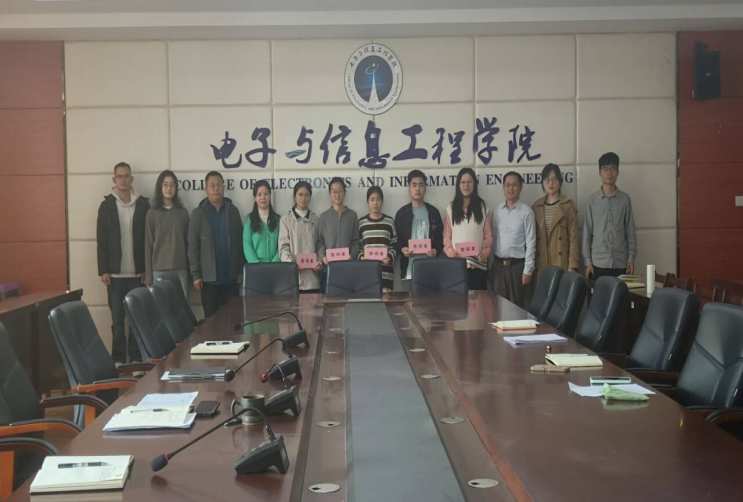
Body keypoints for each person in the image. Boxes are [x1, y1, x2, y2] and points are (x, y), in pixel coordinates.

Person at [96, 161, 148, 364]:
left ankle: (135, 358)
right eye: (119, 176)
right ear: (114, 179)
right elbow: (101, 240)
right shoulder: (106, 206)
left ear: (131, 179)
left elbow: (147, 240)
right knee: (117, 321)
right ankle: (118, 359)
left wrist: (146, 269)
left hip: (137, 274)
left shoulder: (143, 205)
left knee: (136, 319)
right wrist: (103, 270)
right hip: (114, 275)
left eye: (126, 176)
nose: (123, 180)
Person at [188, 171, 244, 318]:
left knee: (234, 321)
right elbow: (193, 246)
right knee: (211, 322)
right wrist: (196, 275)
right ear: (206, 189)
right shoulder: (198, 213)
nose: (216, 189)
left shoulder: (233, 211)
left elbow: (239, 242)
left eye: (219, 185)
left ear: (224, 188)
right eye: (212, 185)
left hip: (231, 278)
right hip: (208, 281)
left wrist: (239, 270)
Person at [582, 152, 637, 280]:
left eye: (613, 169)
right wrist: (587, 262)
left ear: (618, 172)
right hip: (597, 263)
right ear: (600, 173)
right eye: (605, 169)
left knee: (621, 294)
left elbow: (630, 231)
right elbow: (587, 233)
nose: (609, 173)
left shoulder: (625, 199)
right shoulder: (592, 200)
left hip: (621, 263)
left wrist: (631, 258)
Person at [489, 171, 536, 308]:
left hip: (518, 269)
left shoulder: (527, 212)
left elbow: (531, 242)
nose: (510, 188)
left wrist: (528, 270)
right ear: (503, 188)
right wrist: (491, 265)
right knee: (498, 307)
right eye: (507, 185)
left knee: (517, 308)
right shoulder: (497, 210)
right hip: (498, 267)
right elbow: (494, 238)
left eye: (514, 185)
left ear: (521, 187)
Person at [394, 170, 444, 291]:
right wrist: (402, 249)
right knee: (408, 302)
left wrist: (436, 251)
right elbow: (396, 240)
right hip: (409, 270)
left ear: (425, 188)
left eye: (421, 185)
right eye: (414, 185)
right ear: (409, 189)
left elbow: (440, 238)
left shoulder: (433, 212)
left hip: (430, 269)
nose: (417, 189)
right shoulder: (402, 213)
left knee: (429, 302)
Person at [444, 167, 492, 290]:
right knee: (457, 301)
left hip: (478, 266)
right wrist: (450, 251)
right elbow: (447, 236)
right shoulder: (451, 208)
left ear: (474, 184)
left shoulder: (482, 207)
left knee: (478, 301)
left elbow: (487, 236)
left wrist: (484, 253)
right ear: (458, 185)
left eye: (469, 182)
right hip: (457, 266)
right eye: (463, 182)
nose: (466, 185)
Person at [144, 170, 190, 296]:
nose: (169, 188)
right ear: (160, 187)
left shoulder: (183, 213)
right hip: (159, 271)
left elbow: (188, 244)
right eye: (165, 185)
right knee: (161, 306)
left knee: (181, 306)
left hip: (180, 270)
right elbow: (148, 246)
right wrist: (149, 276)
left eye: (172, 185)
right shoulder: (152, 213)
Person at [532, 164, 579, 278]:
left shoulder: (568, 205)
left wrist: (572, 266)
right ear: (542, 183)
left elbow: (574, 238)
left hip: (561, 263)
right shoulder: (536, 206)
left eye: (554, 179)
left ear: (560, 182)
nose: (551, 183)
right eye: (547, 179)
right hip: (541, 263)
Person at [279, 181, 322, 293]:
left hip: (312, 279)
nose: (303, 198)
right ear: (294, 197)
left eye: (307, 195)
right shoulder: (286, 219)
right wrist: (291, 264)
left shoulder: (315, 219)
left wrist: (319, 262)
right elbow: (283, 248)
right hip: (293, 279)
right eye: (300, 194)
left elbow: (319, 244)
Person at [317, 177, 360, 290]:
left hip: (348, 268)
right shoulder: (323, 217)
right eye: (334, 191)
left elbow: (356, 241)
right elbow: (320, 242)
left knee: (346, 299)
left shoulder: (352, 215)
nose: (337, 194)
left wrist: (352, 255)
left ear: (345, 193)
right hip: (328, 269)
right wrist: (323, 257)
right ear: (329, 194)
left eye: (340, 191)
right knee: (328, 299)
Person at [358, 186, 398, 291]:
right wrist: (361, 257)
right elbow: (357, 246)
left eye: (378, 199)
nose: (375, 203)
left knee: (386, 300)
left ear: (382, 202)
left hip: (386, 274)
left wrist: (390, 257)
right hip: (366, 273)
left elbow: (395, 245)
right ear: (367, 202)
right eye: (372, 199)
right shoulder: (361, 223)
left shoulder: (389, 222)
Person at [243, 180, 280, 264]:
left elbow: (281, 245)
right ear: (255, 198)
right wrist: (257, 265)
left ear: (270, 196)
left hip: (275, 267)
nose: (263, 197)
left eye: (266, 194)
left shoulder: (278, 219)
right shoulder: (249, 220)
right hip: (255, 268)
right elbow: (247, 246)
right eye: (259, 194)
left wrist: (273, 263)